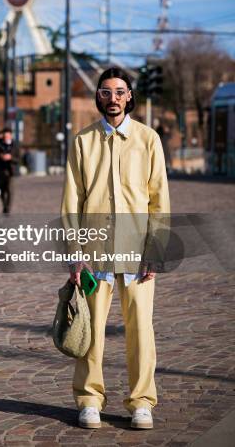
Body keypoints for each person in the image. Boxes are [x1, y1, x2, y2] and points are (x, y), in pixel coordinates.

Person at [61, 67, 170, 431]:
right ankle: (89, 399)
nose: (113, 99)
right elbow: (71, 201)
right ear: (98, 97)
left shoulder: (148, 139)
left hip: (137, 253)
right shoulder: (82, 142)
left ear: (130, 96)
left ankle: (142, 402)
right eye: (105, 92)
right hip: (94, 254)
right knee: (90, 331)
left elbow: (159, 200)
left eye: (119, 92)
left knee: (141, 330)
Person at [0, 127, 17, 214]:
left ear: (11, 135)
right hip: (0, 170)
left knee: (9, 189)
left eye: (8, 135)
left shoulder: (15, 145)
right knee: (2, 190)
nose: (6, 137)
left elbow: (19, 159)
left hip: (10, 171)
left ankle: (7, 208)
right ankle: (4, 205)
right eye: (5, 135)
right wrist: (0, 157)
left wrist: (11, 158)